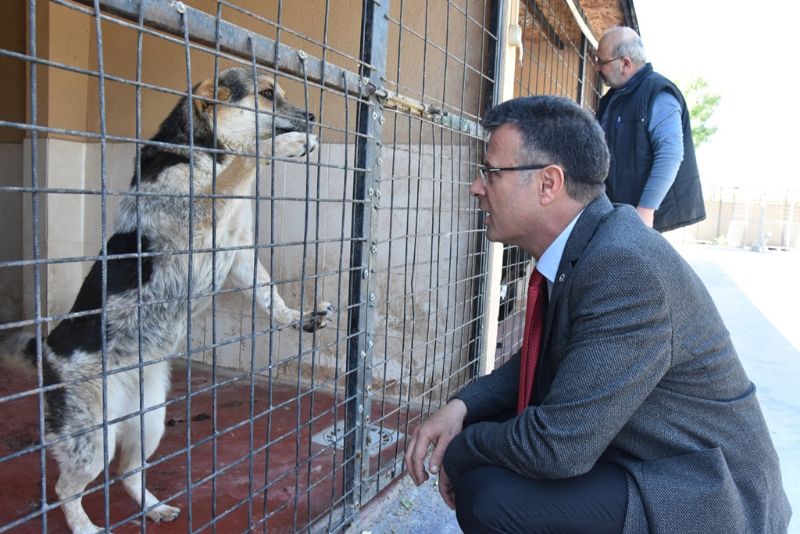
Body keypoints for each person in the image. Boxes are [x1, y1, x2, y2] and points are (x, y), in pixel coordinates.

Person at [404, 95, 791, 533]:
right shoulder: (590, 244)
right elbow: (543, 359)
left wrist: (460, 449)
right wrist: (462, 407)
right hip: (648, 458)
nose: (477, 186)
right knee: (488, 454)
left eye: (491, 172)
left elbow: (557, 448)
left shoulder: (623, 268)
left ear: (549, 184)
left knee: (494, 499)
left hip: (703, 494)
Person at [595, 26, 705, 232]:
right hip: (619, 216)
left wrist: (645, 210)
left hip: (644, 220)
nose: (597, 68)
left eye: (601, 62)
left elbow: (670, 154)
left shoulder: (657, 94)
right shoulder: (612, 100)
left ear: (625, 63)